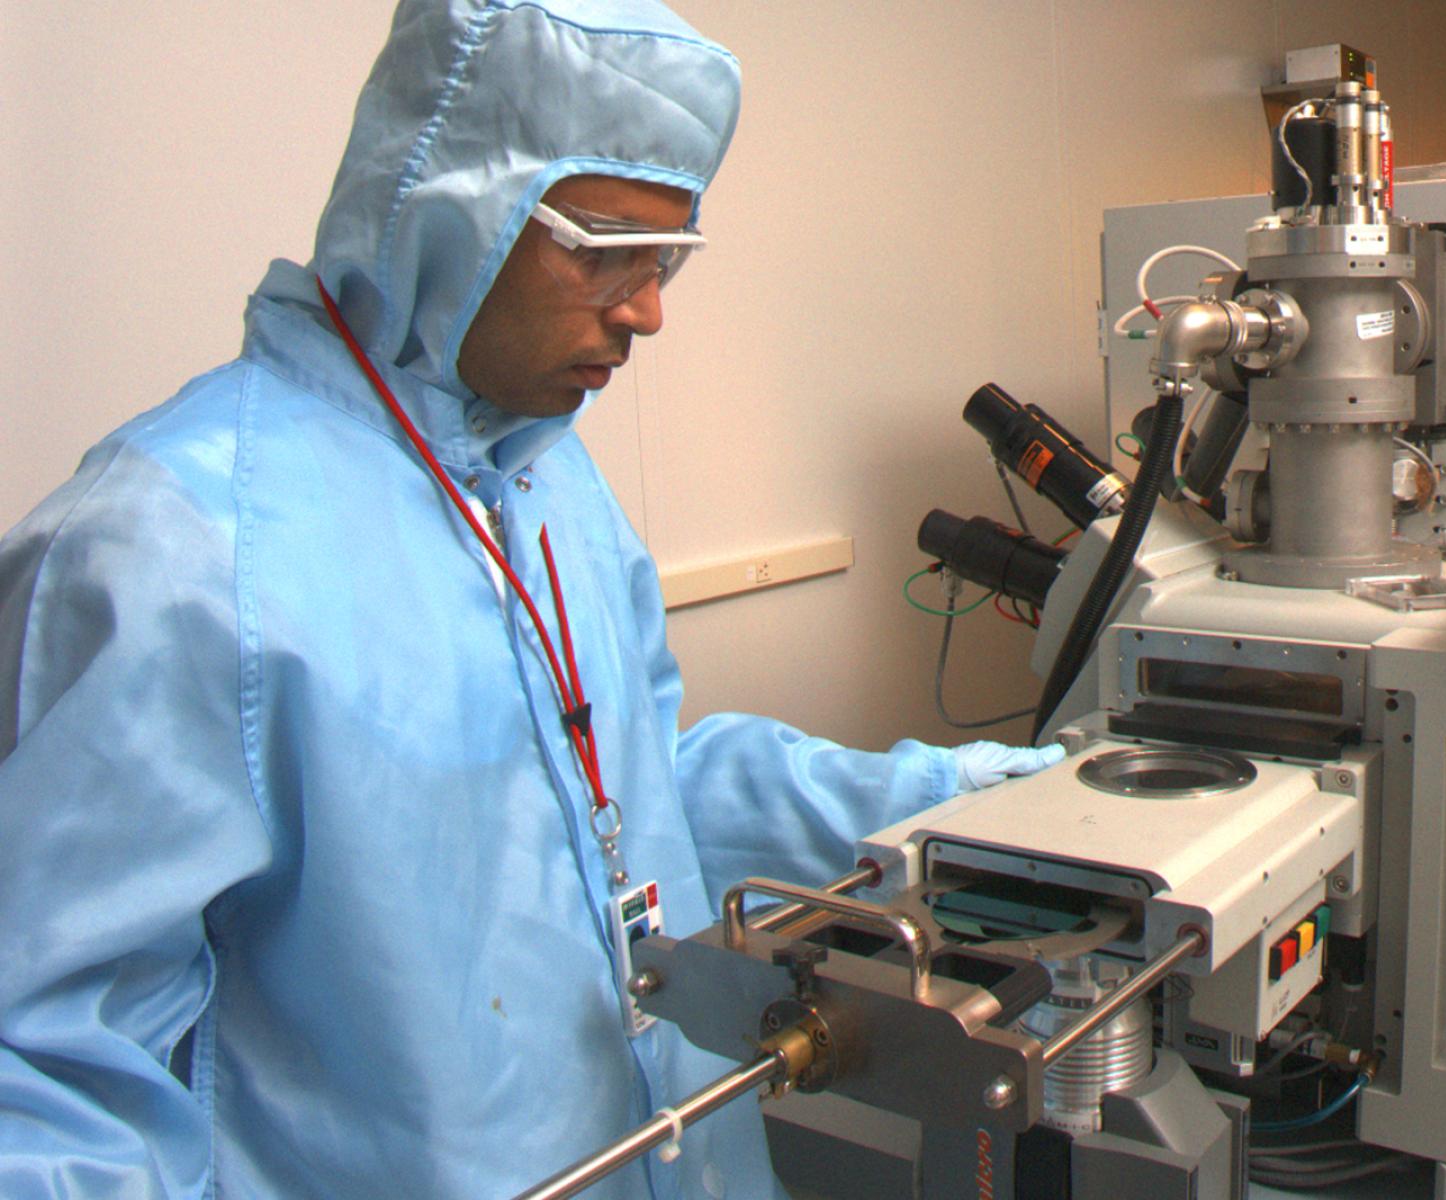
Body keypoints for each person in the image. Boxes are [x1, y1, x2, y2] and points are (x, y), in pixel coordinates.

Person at [0, 2, 1063, 1196]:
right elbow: (42, 1071)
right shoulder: (173, 549)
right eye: (605, 249)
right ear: (453, 208)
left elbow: (633, 798)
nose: (647, 309)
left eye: (667, 259)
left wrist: (949, 805)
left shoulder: (545, 481)